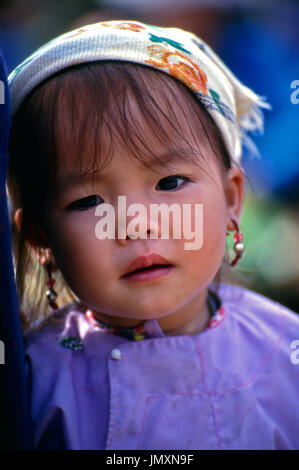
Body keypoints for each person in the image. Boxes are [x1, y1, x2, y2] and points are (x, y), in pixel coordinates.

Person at [7, 20, 299, 450]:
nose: (135, 223)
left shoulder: (285, 352)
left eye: (170, 183)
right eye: (88, 202)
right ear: (40, 237)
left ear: (231, 198)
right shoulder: (31, 383)